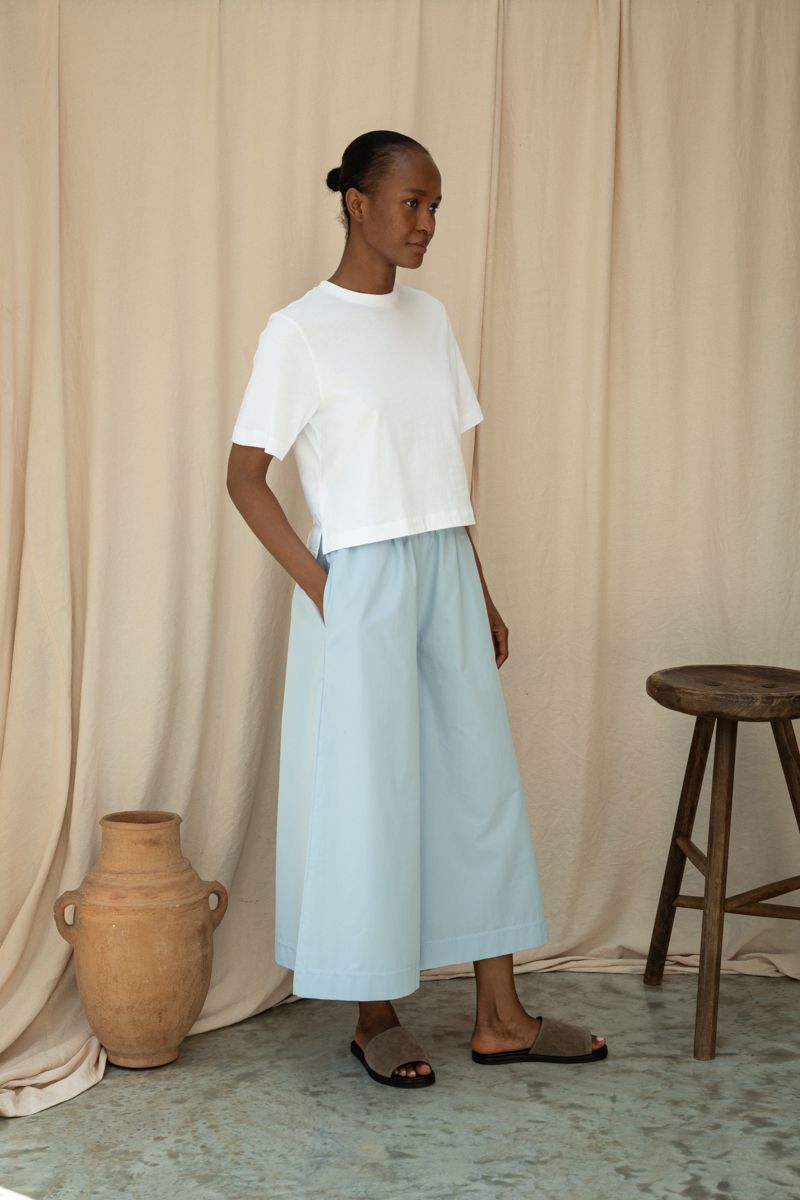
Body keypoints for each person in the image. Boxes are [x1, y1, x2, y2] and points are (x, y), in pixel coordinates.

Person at [226, 130, 607, 1089]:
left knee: (481, 785)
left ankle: (500, 1014)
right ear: (357, 202)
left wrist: (479, 590)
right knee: (369, 796)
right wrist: (327, 592)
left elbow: (442, 476)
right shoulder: (297, 330)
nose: (428, 223)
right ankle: (374, 1013)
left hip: (442, 561)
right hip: (359, 577)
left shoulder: (430, 321)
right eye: (412, 204)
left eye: (436, 206)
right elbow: (242, 478)